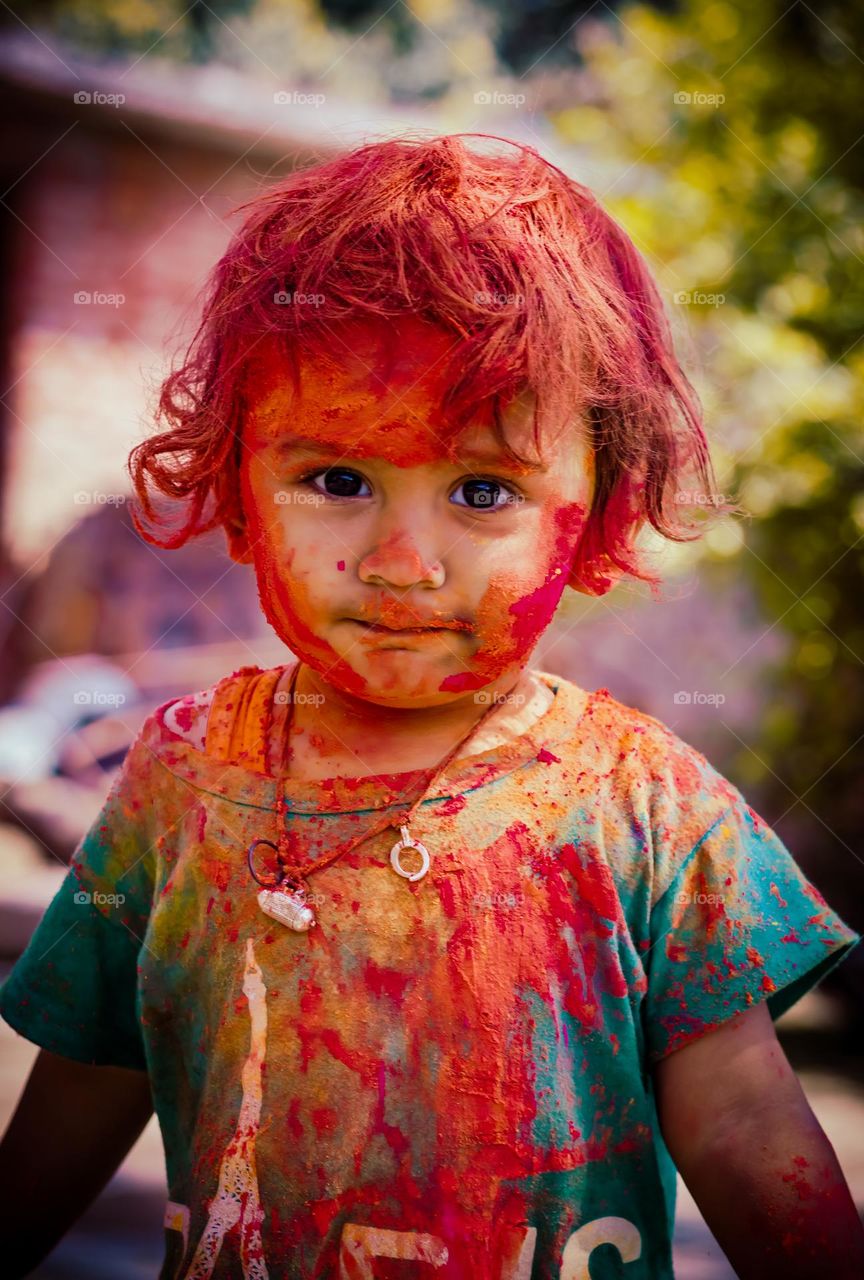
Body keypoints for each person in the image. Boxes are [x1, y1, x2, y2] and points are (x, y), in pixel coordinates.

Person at [1, 133, 861, 1280]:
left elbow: (745, 1122)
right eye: (339, 480)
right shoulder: (185, 778)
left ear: (593, 515)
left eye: (483, 490)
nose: (405, 561)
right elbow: (98, 1068)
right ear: (240, 491)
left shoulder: (643, 803)